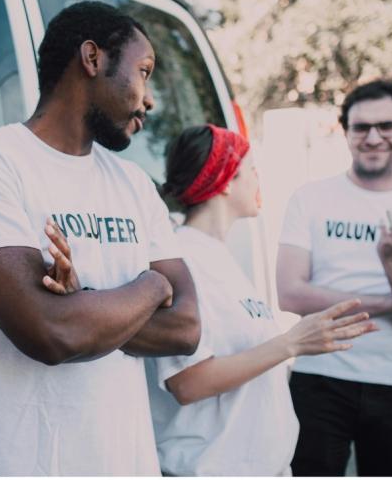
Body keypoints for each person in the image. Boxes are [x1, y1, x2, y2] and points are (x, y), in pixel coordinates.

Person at [0, 1, 201, 475]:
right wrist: (152, 288)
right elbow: (51, 333)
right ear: (93, 58)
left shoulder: (134, 183)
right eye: (144, 71)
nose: (150, 98)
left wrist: (84, 305)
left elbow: (186, 328)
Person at [143, 124, 377, 476]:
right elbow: (188, 383)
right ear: (225, 180)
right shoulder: (182, 260)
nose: (258, 179)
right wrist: (292, 343)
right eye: (251, 169)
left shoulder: (220, 258)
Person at [276, 80, 392, 476]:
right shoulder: (310, 198)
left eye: (387, 126)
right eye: (360, 127)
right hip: (318, 377)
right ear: (346, 134)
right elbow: (290, 294)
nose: (373, 137)